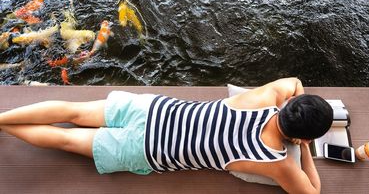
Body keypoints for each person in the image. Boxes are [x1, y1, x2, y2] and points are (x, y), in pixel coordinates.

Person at [0, 77, 332, 194]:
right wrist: (302, 149)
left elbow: (296, 82)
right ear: (303, 137)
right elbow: (312, 191)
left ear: (291, 106)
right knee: (66, 140)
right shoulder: (277, 162)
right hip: (147, 149)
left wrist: (298, 104)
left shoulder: (267, 95)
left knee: (70, 112)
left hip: (152, 110)